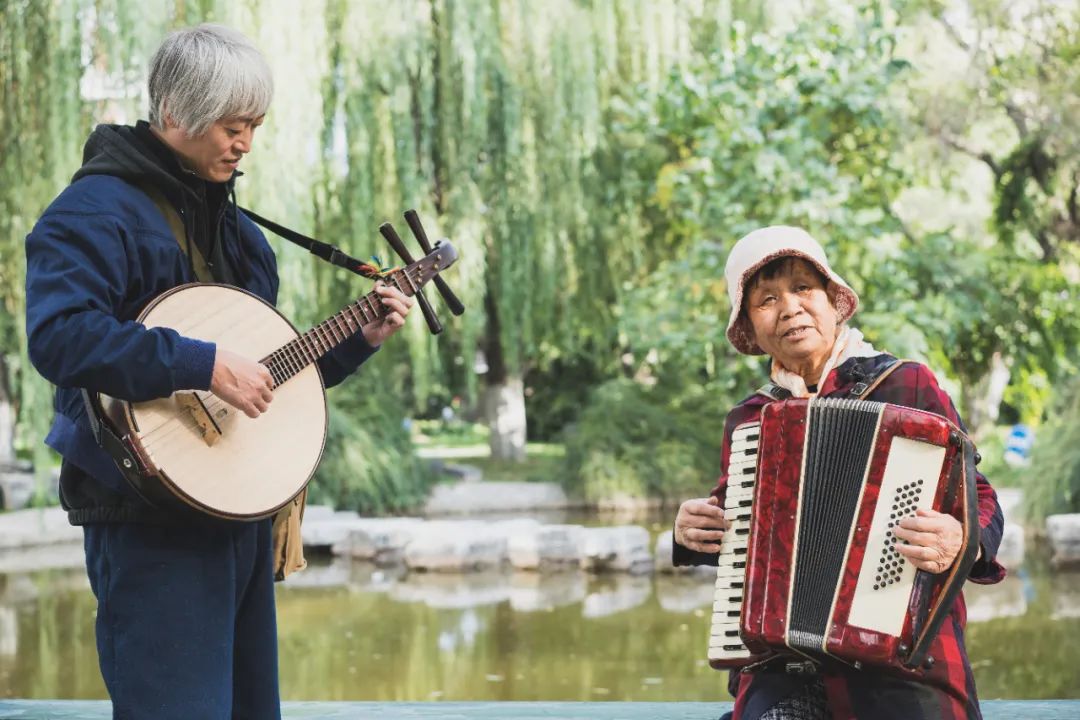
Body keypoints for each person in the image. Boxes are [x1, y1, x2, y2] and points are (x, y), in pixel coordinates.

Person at [24, 24, 414, 719]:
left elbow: (262, 382)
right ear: (175, 113)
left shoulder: (242, 236)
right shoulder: (90, 213)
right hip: (144, 517)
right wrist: (200, 362)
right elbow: (60, 337)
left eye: (255, 126)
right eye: (232, 126)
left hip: (234, 511)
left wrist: (359, 340)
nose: (245, 144)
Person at [672, 226, 1005, 720]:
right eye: (766, 300)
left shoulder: (906, 385)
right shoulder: (751, 421)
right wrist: (691, 532)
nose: (789, 308)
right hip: (781, 665)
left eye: (803, 288)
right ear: (751, 326)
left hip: (902, 664)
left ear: (832, 300)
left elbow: (979, 497)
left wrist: (962, 540)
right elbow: (736, 532)